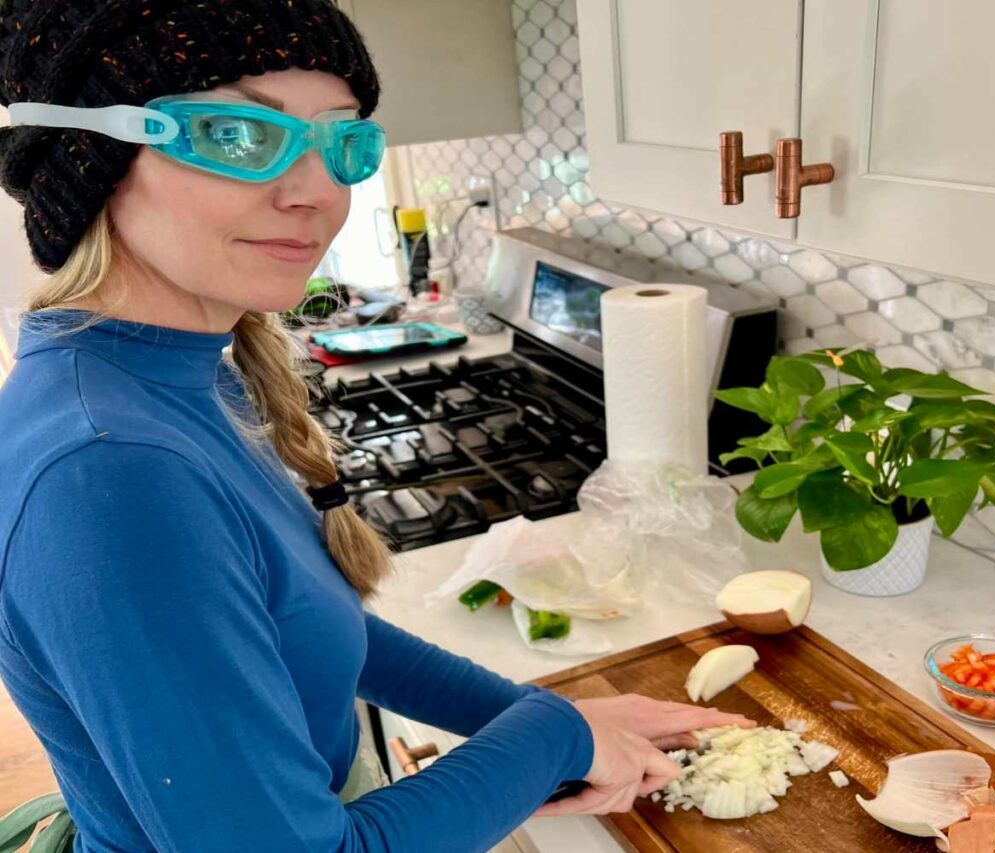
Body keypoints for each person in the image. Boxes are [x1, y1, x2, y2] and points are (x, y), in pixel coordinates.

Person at [0, 2, 753, 850]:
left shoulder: (178, 374)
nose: (320, 192)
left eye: (341, 143)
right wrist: (555, 737)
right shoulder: (110, 473)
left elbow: (309, 622)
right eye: (235, 134)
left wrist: (543, 714)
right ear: (90, 160)